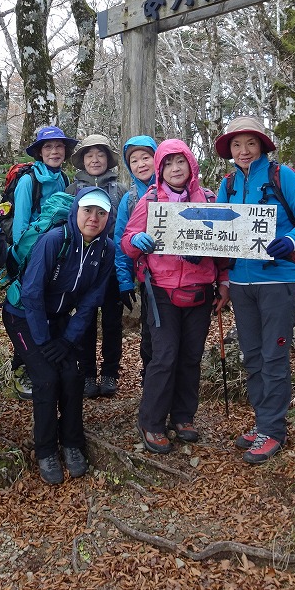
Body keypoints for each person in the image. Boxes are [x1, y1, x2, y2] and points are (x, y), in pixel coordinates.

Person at [214, 116, 295, 464]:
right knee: (253, 355)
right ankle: (263, 422)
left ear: (261, 146)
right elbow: (219, 230)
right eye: (236, 145)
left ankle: (273, 430)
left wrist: (291, 240)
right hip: (241, 284)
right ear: (230, 150)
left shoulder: (281, 175)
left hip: (277, 281)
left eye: (250, 143)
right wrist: (216, 268)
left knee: (274, 356)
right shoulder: (227, 185)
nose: (243, 151)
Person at [2, 187, 114, 484]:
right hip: (22, 316)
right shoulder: (55, 240)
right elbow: (32, 293)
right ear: (76, 211)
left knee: (73, 377)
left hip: (60, 320)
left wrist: (67, 340)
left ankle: (72, 442)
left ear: (108, 217)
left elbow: (92, 300)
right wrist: (44, 342)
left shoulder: (106, 249)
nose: (93, 218)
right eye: (88, 210)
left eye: (101, 212)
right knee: (47, 378)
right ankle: (46, 449)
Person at [122, 140, 225, 454]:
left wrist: (224, 282)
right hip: (162, 291)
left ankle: (183, 416)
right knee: (164, 356)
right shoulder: (151, 200)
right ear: (160, 169)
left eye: (180, 162)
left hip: (200, 290)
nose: (175, 169)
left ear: (191, 164)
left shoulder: (208, 199)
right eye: (168, 163)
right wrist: (137, 240)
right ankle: (151, 421)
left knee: (191, 356)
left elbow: (225, 245)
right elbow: (127, 240)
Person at [7, 125, 78, 400]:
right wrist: (25, 261)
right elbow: (20, 227)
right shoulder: (29, 181)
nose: (54, 152)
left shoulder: (63, 178)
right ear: (39, 152)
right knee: (27, 307)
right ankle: (22, 368)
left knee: (47, 308)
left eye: (59, 147)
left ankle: (44, 364)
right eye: (48, 147)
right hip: (32, 255)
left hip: (57, 254)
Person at [65, 133, 127, 398]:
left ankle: (110, 373)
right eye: (89, 155)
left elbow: (125, 227)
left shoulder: (121, 190)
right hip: (82, 265)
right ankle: (88, 373)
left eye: (100, 154)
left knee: (113, 321)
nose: (95, 160)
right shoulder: (71, 190)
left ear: (108, 159)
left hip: (112, 265)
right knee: (85, 319)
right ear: (82, 160)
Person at [113, 135, 158, 384]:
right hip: (148, 278)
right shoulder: (129, 200)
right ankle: (150, 381)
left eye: (146, 157)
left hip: (181, 277)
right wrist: (124, 281)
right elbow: (121, 241)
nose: (141, 164)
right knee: (150, 332)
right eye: (134, 160)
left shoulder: (176, 187)